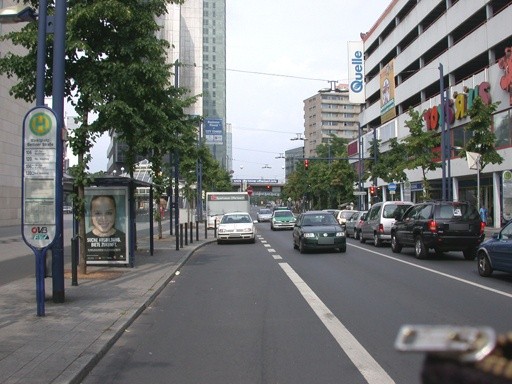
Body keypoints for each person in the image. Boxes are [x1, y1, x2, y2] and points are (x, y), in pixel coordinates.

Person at [86, 195, 126, 261]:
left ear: (115, 213)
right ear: (91, 214)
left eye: (109, 213)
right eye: (98, 213)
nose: (103, 218)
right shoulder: (84, 240)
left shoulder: (124, 238)